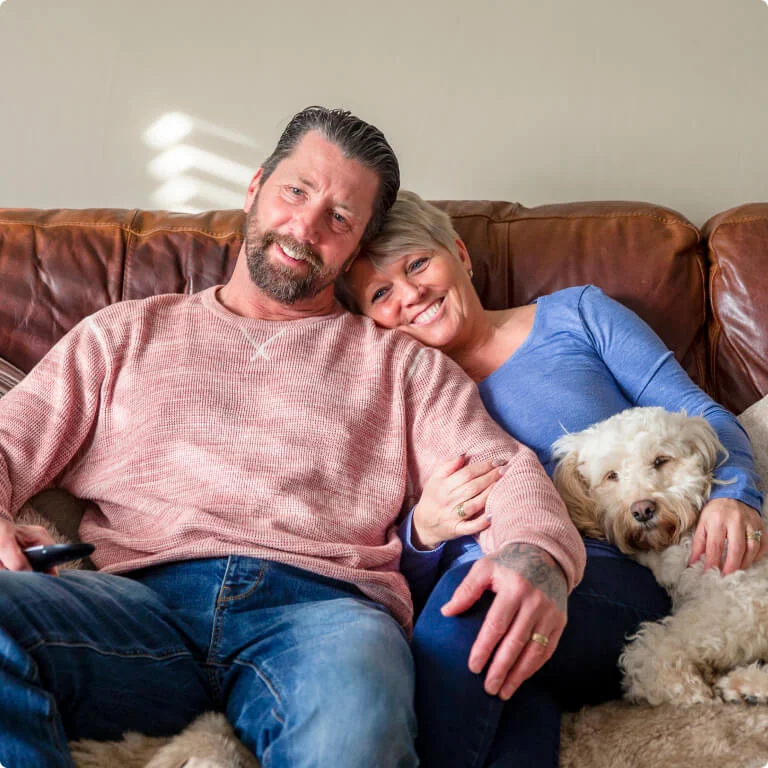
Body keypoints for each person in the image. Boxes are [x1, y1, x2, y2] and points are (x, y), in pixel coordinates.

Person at [0, 109, 587, 768]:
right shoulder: (123, 333)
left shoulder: (401, 363)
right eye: (297, 191)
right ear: (254, 188)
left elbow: (501, 469)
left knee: (356, 733)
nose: (307, 226)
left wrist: (537, 555)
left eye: (340, 219)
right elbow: (8, 439)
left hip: (323, 617)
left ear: (355, 246)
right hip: (135, 608)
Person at [337, 189, 767, 767]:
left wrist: (736, 494)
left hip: (607, 576)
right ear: (369, 320)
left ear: (459, 253)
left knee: (473, 623)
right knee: (512, 699)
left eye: (417, 263)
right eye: (381, 293)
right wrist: (424, 531)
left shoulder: (576, 314)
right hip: (474, 583)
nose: (410, 294)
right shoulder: (399, 395)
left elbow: (701, 415)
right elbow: (382, 553)